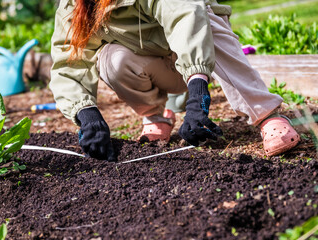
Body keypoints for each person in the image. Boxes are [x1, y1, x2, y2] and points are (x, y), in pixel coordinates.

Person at [50, 0, 300, 161]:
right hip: (159, 67)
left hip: (200, 56)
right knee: (110, 59)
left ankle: (266, 114)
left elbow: (185, 15)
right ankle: (155, 117)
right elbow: (68, 61)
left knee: (205, 18)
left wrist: (197, 94)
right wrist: (87, 115)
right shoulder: (73, 6)